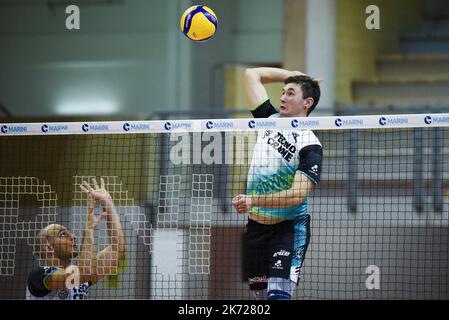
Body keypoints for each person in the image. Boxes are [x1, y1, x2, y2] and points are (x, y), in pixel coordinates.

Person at [232, 67, 323, 300]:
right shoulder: (267, 120)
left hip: (288, 229)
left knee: (278, 297)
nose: (282, 97)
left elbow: (296, 195)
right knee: (261, 300)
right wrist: (293, 74)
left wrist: (253, 199)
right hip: (255, 228)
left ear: (307, 103)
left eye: (291, 93)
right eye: (282, 92)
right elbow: (251, 74)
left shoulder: (310, 145)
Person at [26, 178, 126, 300]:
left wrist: (108, 203)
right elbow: (82, 274)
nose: (73, 237)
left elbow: (117, 250)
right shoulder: (39, 275)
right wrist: (89, 229)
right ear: (49, 247)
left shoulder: (81, 272)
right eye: (63, 234)